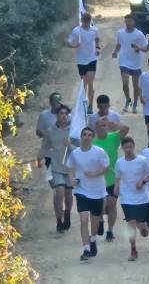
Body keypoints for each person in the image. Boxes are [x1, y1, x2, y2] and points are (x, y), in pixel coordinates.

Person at [66, 127, 109, 261]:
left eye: (90, 135)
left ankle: (93, 239)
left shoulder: (99, 152)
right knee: (84, 219)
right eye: (84, 134)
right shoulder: (75, 153)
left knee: (94, 219)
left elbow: (106, 167)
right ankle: (85, 248)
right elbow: (70, 168)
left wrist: (95, 173)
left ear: (93, 137)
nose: (87, 137)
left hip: (97, 191)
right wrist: (72, 179)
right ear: (81, 136)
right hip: (81, 190)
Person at [114, 136, 149, 262]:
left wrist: (142, 181)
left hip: (141, 197)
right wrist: (116, 187)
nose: (128, 149)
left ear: (134, 146)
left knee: (140, 223)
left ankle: (144, 226)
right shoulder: (119, 162)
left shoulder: (142, 161)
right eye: (126, 147)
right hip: (126, 197)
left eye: (130, 147)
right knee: (131, 222)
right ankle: (133, 249)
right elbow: (118, 177)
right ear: (122, 148)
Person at [92, 113, 130, 242]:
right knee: (102, 206)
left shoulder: (113, 137)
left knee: (112, 205)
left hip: (112, 178)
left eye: (104, 125)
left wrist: (113, 125)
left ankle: (110, 230)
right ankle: (101, 219)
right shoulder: (92, 141)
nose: (102, 128)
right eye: (99, 126)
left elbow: (126, 129)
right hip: (98, 179)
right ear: (95, 129)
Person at [41, 104, 74, 233]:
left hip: (70, 167)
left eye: (66, 114)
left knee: (68, 194)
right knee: (59, 193)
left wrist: (70, 146)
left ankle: (68, 213)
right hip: (56, 166)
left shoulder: (73, 131)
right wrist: (40, 157)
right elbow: (45, 147)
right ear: (57, 116)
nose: (64, 116)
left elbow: (81, 148)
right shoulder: (50, 131)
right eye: (61, 113)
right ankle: (59, 220)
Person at [112, 15, 149, 113]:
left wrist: (138, 47)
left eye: (129, 21)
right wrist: (115, 52)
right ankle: (128, 99)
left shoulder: (139, 34)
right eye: (126, 21)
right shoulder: (120, 33)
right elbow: (119, 44)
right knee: (125, 83)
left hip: (136, 62)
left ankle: (135, 104)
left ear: (134, 22)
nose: (127, 23)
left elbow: (145, 48)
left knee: (136, 85)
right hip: (124, 61)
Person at [66, 13, 100, 113]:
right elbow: (69, 41)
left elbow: (97, 38)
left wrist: (97, 48)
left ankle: (90, 106)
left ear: (90, 21)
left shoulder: (94, 30)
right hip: (81, 60)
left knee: (90, 82)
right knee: (83, 83)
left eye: (87, 21)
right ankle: (83, 103)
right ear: (82, 21)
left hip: (92, 59)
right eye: (84, 21)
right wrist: (74, 45)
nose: (85, 23)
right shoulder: (77, 31)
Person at [36, 92, 63, 170]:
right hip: (49, 151)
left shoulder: (67, 115)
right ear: (50, 103)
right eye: (55, 102)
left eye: (59, 102)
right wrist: (46, 135)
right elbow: (38, 132)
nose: (58, 104)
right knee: (51, 177)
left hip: (62, 150)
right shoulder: (44, 116)